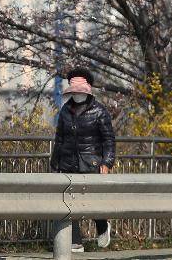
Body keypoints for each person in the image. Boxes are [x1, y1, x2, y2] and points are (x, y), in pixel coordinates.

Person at [49, 67, 115, 254]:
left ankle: (102, 226)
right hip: (68, 163)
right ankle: (75, 242)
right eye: (74, 89)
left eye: (80, 89)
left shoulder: (99, 111)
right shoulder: (65, 111)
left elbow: (108, 139)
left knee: (92, 201)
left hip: (91, 164)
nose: (76, 93)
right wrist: (55, 164)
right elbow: (60, 138)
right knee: (70, 203)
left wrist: (106, 162)